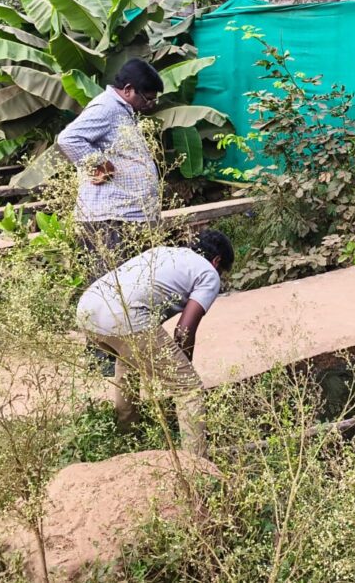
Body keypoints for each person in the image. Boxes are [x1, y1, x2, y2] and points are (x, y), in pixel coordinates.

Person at [76, 229, 234, 456]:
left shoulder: (165, 252)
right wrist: (181, 368)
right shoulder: (208, 273)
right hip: (125, 316)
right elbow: (184, 329)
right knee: (189, 389)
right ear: (217, 261)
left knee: (128, 363)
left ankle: (127, 437)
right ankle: (197, 464)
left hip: (88, 310)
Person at [57, 59, 165, 275]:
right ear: (128, 89)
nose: (150, 105)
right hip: (111, 219)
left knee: (130, 286)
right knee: (110, 287)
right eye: (147, 98)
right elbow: (69, 138)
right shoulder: (106, 107)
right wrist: (100, 164)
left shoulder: (123, 109)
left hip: (126, 216)